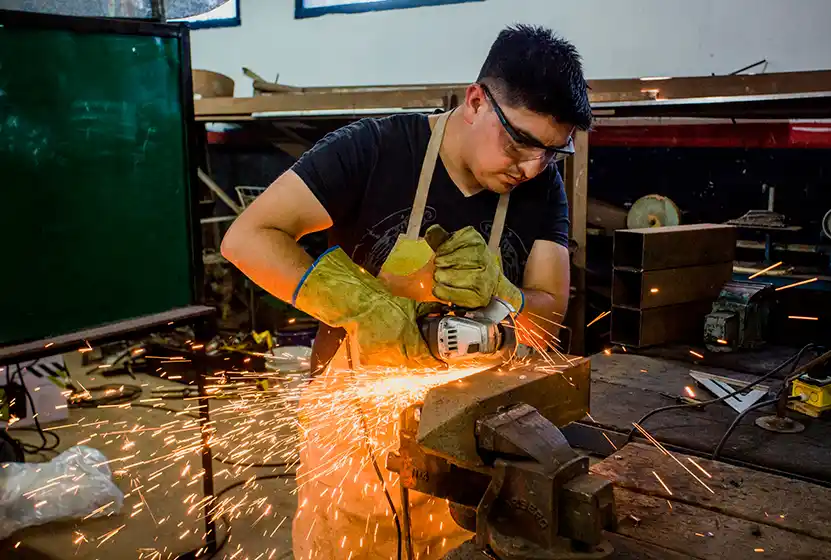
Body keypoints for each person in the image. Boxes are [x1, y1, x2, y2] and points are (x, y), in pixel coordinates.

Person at [221, 23, 592, 560]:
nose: (531, 166)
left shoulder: (541, 188)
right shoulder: (374, 149)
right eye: (521, 143)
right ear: (475, 102)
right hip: (354, 440)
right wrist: (370, 306)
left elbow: (549, 314)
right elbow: (248, 237)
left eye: (551, 153)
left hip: (472, 447)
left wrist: (504, 293)